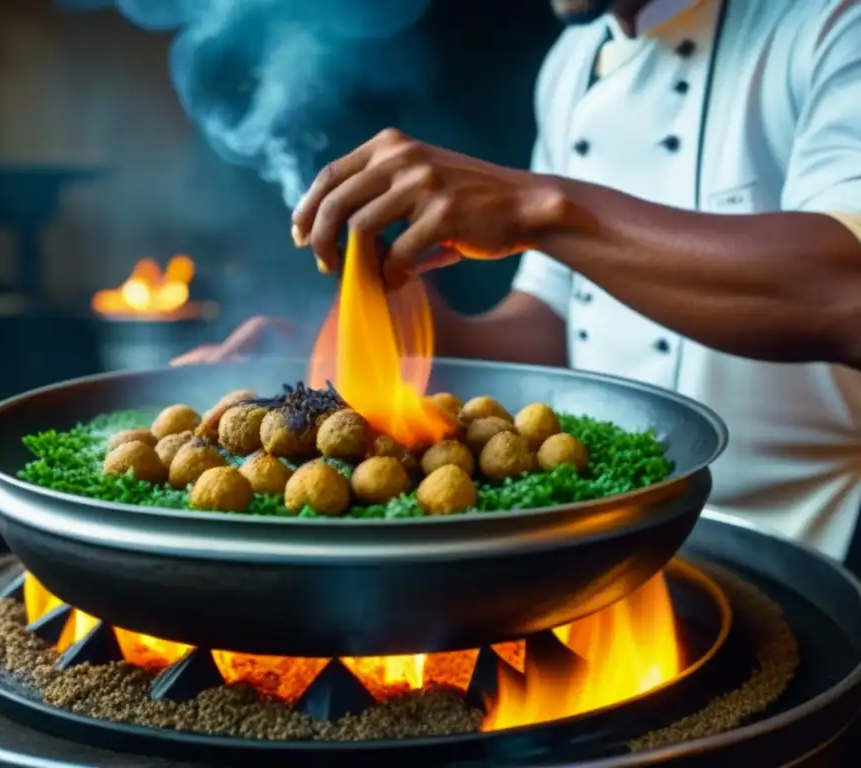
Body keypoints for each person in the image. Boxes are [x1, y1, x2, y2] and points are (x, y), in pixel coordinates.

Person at [172, 0, 861, 565]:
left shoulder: (830, 23)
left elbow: (843, 292)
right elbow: (554, 327)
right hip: (606, 545)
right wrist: (371, 350)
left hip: (809, 554)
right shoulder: (571, 70)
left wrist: (538, 207)